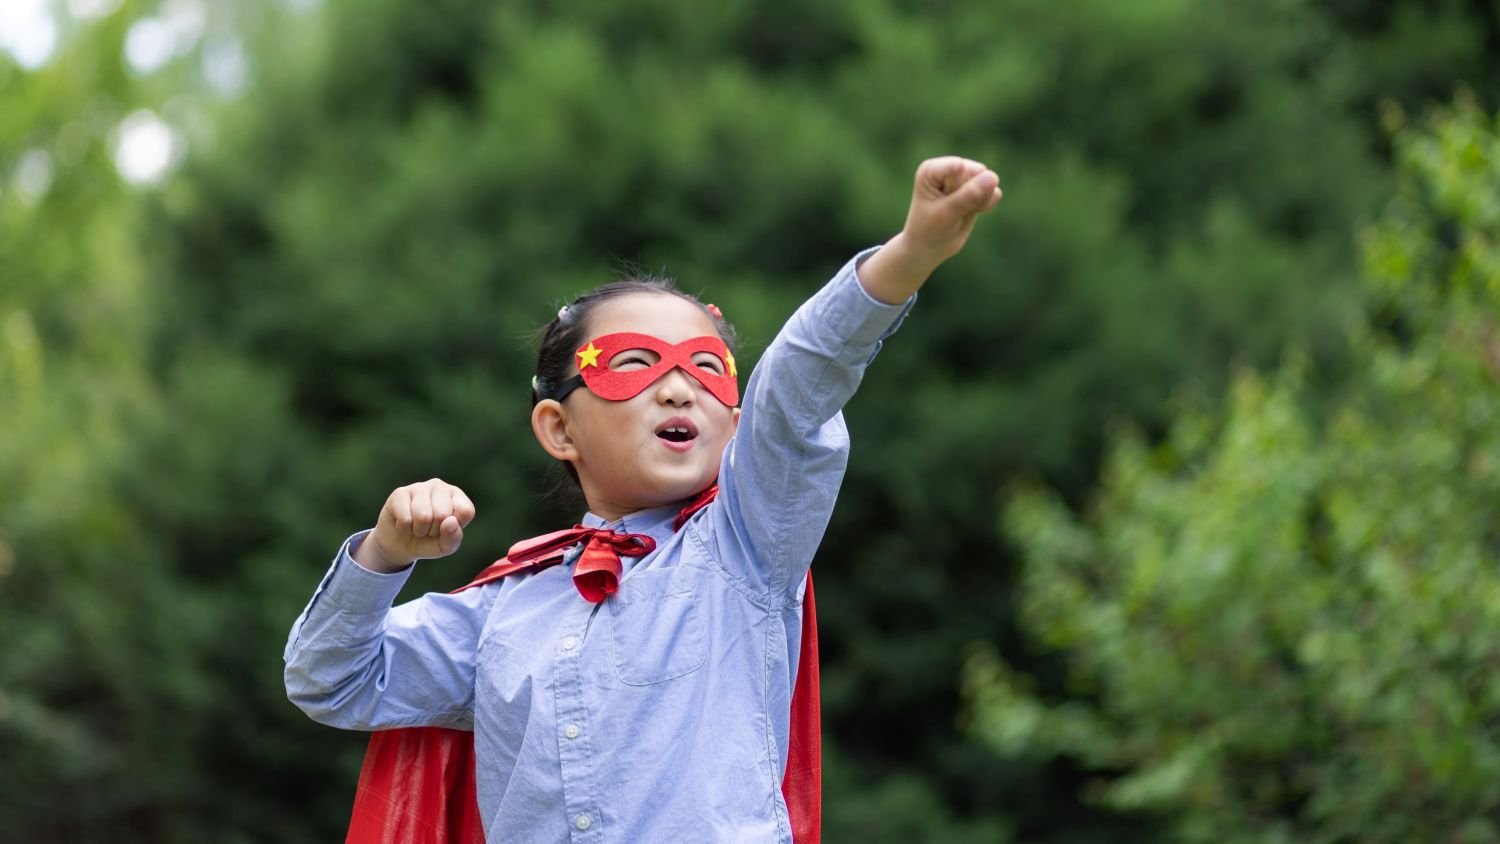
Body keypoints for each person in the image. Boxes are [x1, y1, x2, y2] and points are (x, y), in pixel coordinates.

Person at [284, 156, 1003, 842]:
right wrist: (384, 553)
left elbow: (797, 383)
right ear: (559, 428)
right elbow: (332, 679)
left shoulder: (745, 548)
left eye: (707, 367)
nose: (678, 387)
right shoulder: (498, 613)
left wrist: (910, 253)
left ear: (738, 421)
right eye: (635, 363)